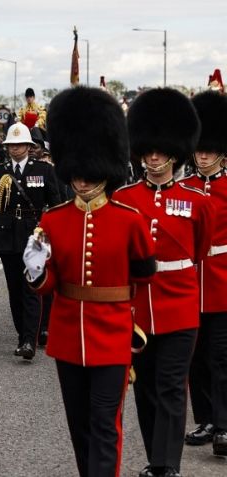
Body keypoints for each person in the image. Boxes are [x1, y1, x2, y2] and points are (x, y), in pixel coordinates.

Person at [25, 87, 157, 477]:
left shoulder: (128, 219)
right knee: (79, 427)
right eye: (76, 175)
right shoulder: (54, 220)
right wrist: (36, 270)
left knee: (104, 425)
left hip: (113, 337)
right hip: (68, 336)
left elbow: (144, 275)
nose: (81, 182)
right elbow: (47, 286)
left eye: (89, 175)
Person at [112, 88, 214, 477]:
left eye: (159, 150)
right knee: (146, 389)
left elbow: (199, 250)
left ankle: (166, 465)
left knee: (172, 387)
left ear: (174, 151)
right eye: (147, 150)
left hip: (179, 308)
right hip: (138, 310)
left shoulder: (196, 201)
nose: (152, 157)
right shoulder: (124, 199)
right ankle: (158, 455)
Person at [0, 122, 61, 360]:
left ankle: (28, 340)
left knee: (31, 288)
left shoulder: (44, 170)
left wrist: (52, 235)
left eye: (20, 144)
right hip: (7, 236)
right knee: (14, 291)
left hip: (34, 234)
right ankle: (23, 333)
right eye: (11, 145)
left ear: (29, 146)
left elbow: (56, 206)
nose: (15, 148)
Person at [180, 90, 227, 456]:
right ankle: (206, 419)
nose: (204, 155)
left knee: (221, 356)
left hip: (224, 282)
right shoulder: (185, 189)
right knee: (195, 357)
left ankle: (225, 424)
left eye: (210, 149)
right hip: (191, 284)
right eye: (200, 149)